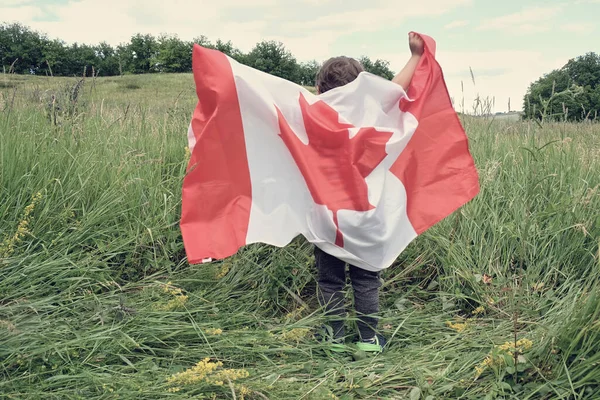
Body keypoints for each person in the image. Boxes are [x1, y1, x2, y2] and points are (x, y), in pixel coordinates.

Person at [313, 32, 425, 353]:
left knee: (330, 280)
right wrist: (416, 57)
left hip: (328, 218)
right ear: (363, 89)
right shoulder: (374, 116)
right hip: (368, 215)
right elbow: (395, 89)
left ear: (319, 89)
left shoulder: (314, 116)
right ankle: (368, 341)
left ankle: (333, 338)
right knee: (365, 280)